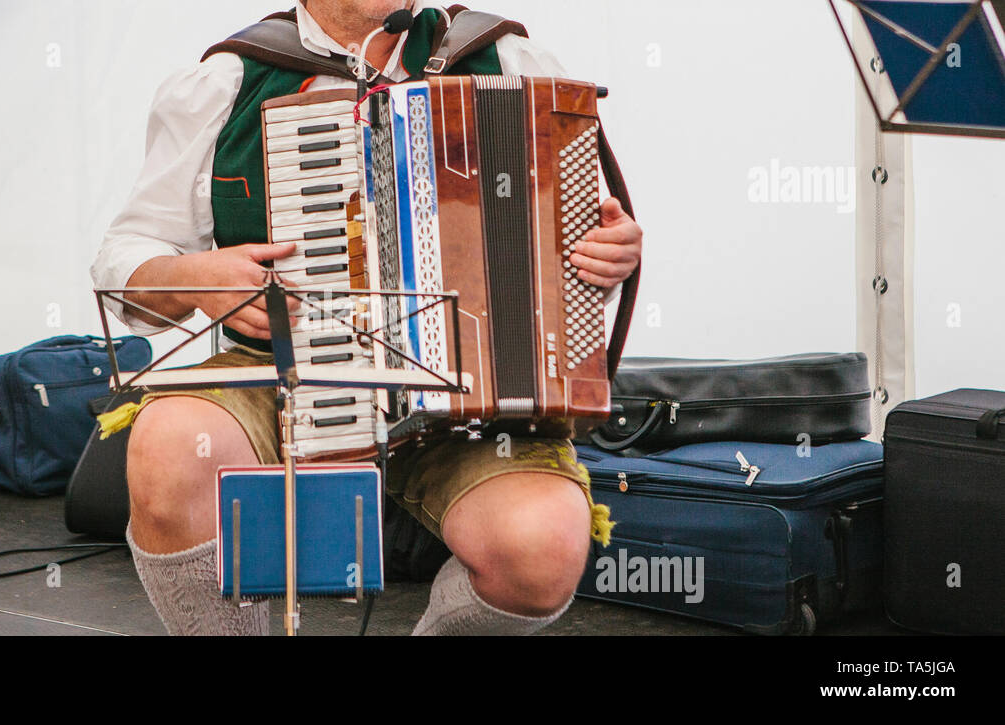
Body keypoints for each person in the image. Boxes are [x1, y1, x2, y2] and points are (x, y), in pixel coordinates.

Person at [91, 0, 644, 635]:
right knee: (169, 447)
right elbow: (127, 254)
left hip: (473, 386)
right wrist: (195, 277)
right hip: (282, 366)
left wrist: (609, 251)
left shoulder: (505, 59)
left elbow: (575, 239)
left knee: (542, 545)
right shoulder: (230, 79)